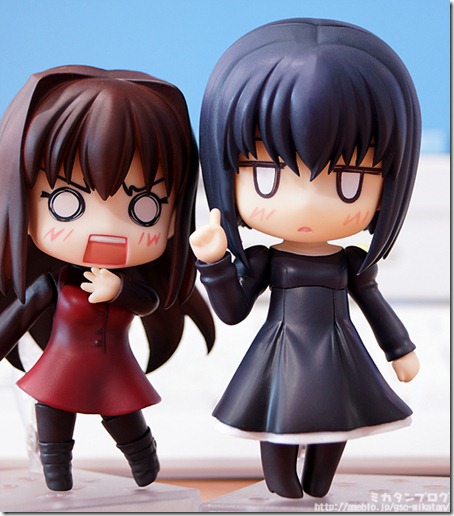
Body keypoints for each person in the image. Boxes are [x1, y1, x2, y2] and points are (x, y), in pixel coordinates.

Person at [190, 18, 420, 499]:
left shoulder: (351, 264)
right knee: (276, 422)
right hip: (280, 353)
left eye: (349, 181)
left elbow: (375, 307)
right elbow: (232, 312)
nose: (306, 205)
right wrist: (213, 264)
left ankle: (317, 486)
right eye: (268, 175)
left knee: (339, 422)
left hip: (339, 353)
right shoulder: (264, 260)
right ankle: (283, 490)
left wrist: (400, 349)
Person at [0, 65, 214, 491]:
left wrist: (118, 289)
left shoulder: (129, 283)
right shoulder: (51, 285)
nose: (104, 230)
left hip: (115, 370)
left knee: (127, 423)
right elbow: (14, 322)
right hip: (58, 370)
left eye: (145, 207)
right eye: (65, 202)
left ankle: (144, 461)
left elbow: (149, 301)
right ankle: (57, 478)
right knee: (53, 425)